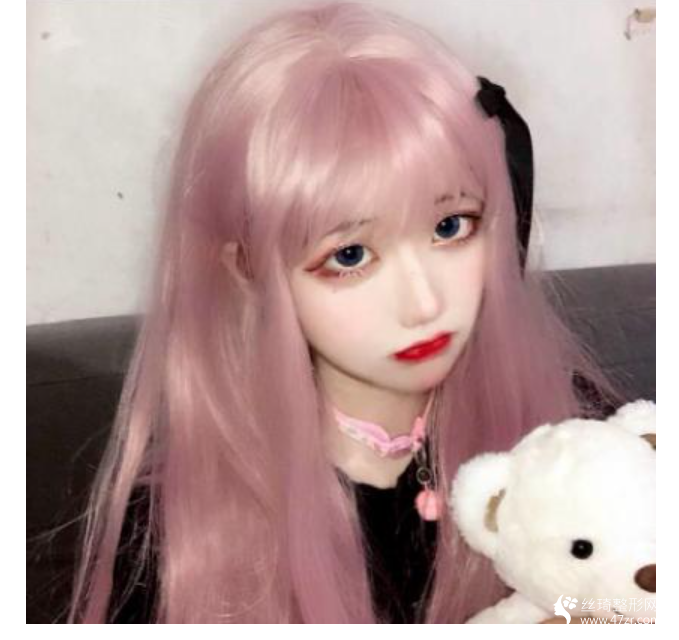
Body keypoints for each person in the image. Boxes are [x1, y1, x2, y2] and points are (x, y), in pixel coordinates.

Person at [67, 1, 624, 623]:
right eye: (351, 255)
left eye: (451, 226)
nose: (425, 302)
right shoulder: (179, 533)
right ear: (248, 269)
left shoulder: (580, 439)